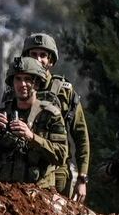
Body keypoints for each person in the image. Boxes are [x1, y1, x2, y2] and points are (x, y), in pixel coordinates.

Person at [0, 57, 68, 189]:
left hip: (37, 193)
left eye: (27, 79)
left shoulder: (50, 115)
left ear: (37, 83)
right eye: (18, 79)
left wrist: (32, 137)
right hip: (0, 191)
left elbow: (61, 155)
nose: (22, 84)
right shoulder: (0, 112)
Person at [21, 33, 91, 201]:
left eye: (43, 55)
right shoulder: (15, 90)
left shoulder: (64, 92)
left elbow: (81, 136)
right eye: (33, 54)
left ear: (51, 60)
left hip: (56, 171)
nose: (38, 59)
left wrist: (82, 178)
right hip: (21, 172)